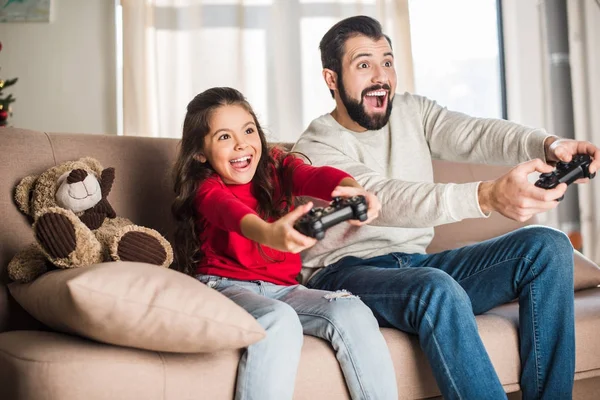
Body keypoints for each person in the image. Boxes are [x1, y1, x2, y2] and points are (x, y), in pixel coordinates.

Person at [292, 15, 600, 400]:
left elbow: (475, 134)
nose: (381, 75)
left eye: (387, 61)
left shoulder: (412, 112)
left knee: (549, 246)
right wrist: (486, 196)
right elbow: (382, 198)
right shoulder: (313, 148)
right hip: (346, 274)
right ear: (332, 79)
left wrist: (549, 145)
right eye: (364, 64)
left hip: (414, 263)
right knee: (436, 288)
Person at [171, 86, 398, 400]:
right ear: (199, 152)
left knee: (353, 310)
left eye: (248, 130)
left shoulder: (277, 166)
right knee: (279, 320)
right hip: (223, 286)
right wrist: (269, 233)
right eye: (224, 137)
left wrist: (352, 189)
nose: (241, 144)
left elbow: (313, 175)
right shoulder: (206, 187)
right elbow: (232, 213)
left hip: (286, 290)